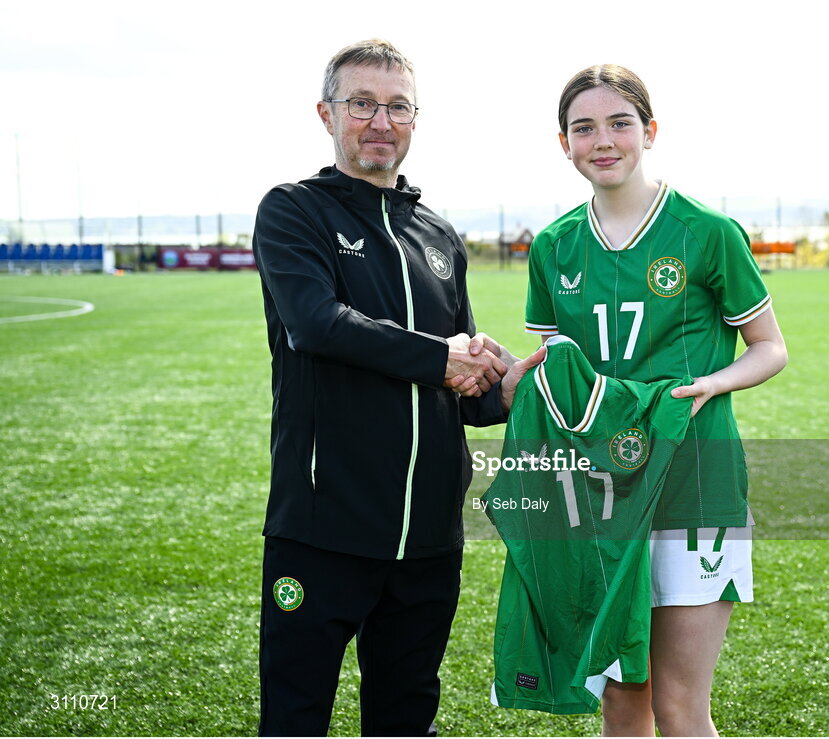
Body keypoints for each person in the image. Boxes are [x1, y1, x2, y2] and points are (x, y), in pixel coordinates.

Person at [251, 39, 541, 737]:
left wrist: (508, 387)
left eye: (398, 107)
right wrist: (440, 358)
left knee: (406, 720)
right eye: (363, 104)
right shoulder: (294, 211)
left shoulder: (437, 233)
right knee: (294, 721)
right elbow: (316, 325)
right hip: (323, 530)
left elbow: (463, 389)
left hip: (428, 542)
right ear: (327, 113)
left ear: (416, 118)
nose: (381, 122)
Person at [522, 64, 788, 736]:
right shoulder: (554, 246)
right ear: (565, 143)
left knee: (677, 704)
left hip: (694, 479)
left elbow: (769, 347)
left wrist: (714, 383)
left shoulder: (707, 231)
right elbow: (560, 376)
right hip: (601, 488)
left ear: (650, 131)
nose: (602, 140)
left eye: (619, 123)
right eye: (584, 127)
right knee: (621, 700)